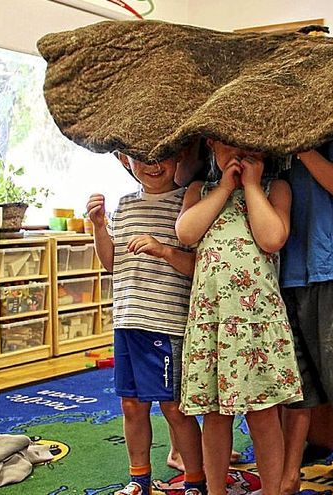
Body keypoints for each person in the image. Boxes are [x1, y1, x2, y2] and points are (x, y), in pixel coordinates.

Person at [175, 139, 302, 495]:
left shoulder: (275, 189)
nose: (240, 155)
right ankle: (216, 489)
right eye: (229, 146)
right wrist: (226, 187)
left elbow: (272, 238)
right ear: (212, 144)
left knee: (264, 413)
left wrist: (249, 186)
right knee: (215, 414)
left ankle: (273, 490)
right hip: (213, 323)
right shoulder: (200, 190)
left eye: (250, 147)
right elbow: (186, 233)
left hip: (256, 324)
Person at [86, 151, 205, 495]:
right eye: (141, 157)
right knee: (131, 405)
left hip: (165, 322)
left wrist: (164, 250)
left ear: (179, 157)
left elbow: (198, 265)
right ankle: (139, 480)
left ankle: (194, 481)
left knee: (174, 407)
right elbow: (112, 262)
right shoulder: (123, 205)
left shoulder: (188, 201)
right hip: (127, 319)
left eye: (163, 155)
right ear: (125, 159)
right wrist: (99, 226)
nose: (153, 164)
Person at [279, 128, 333, 495]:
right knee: (297, 384)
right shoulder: (272, 142)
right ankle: (289, 473)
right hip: (289, 272)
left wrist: (302, 149)